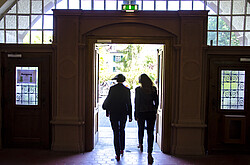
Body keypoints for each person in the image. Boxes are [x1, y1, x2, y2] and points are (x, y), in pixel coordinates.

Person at [102, 74, 132, 161]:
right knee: (122, 130)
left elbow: (109, 100)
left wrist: (107, 112)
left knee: (115, 132)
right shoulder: (126, 90)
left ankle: (117, 153)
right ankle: (122, 148)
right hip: (123, 112)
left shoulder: (112, 89)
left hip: (114, 112)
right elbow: (129, 103)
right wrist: (130, 115)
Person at [134, 73, 159, 164]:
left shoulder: (138, 90)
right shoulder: (153, 89)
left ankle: (140, 143)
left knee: (140, 129)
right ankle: (149, 152)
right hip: (151, 112)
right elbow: (156, 102)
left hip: (141, 112)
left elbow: (137, 102)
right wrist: (155, 109)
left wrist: (135, 114)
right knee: (150, 132)